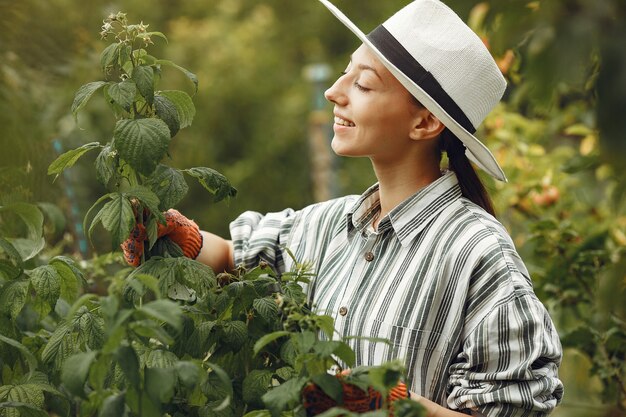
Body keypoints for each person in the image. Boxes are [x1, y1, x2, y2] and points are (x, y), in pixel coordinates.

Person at [123, 0, 564, 415]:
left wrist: (394, 405)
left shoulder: (478, 253)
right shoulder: (328, 225)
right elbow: (233, 262)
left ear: (425, 121)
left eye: (363, 83)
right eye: (344, 73)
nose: (335, 92)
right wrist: (176, 235)